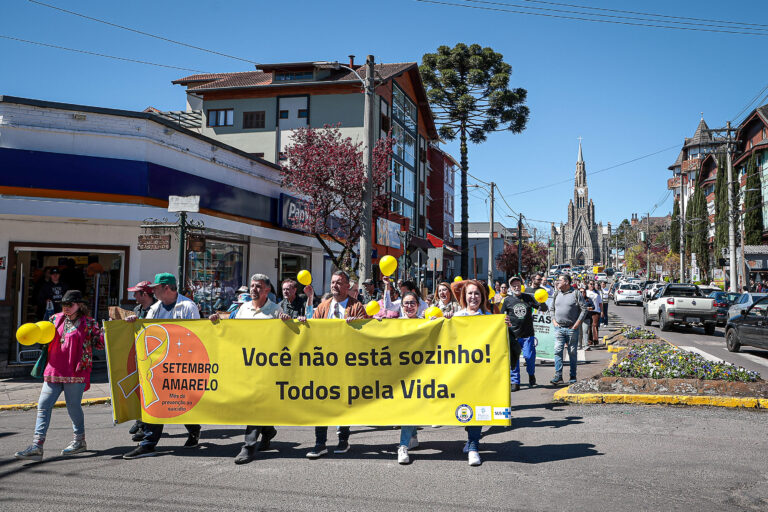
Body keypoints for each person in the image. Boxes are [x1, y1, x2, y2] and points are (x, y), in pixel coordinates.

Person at [15, 290, 104, 462]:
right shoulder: (54, 319)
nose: (66, 308)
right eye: (64, 304)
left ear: (80, 305)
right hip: (54, 370)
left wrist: (106, 331)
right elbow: (43, 337)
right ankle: (37, 446)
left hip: (75, 371)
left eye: (70, 305)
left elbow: (99, 344)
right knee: (43, 405)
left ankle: (79, 441)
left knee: (73, 407)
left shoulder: (89, 323)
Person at [122, 273, 202, 459]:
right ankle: (149, 443)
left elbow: (198, 334)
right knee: (156, 403)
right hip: (158, 365)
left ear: (166, 288)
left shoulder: (187, 306)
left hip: (181, 364)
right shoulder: (155, 308)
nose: (153, 291)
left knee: (180, 402)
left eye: (156, 288)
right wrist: (134, 324)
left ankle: (193, 429)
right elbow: (147, 331)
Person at [209, 273, 287, 464]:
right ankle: (268, 430)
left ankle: (248, 446)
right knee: (251, 404)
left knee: (255, 405)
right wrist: (216, 322)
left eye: (258, 286)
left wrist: (286, 323)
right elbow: (230, 329)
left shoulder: (276, 311)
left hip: (266, 366)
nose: (254, 289)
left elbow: (285, 338)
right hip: (245, 365)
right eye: (252, 286)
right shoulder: (242, 309)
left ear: (267, 290)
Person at [306, 271, 367, 459]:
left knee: (343, 401)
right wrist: (304, 322)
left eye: (339, 282)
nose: (334, 285)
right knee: (321, 402)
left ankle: (343, 439)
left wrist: (358, 324)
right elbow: (312, 330)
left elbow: (368, 331)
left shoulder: (356, 307)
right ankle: (320, 442)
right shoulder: (323, 307)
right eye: (332, 282)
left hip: (347, 363)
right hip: (324, 362)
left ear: (347, 286)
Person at [427, 279, 487, 467]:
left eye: (477, 293)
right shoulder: (457, 316)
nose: (473, 297)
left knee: (477, 409)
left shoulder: (489, 318)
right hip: (459, 373)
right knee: (464, 409)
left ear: (482, 297)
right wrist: (437, 323)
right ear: (464, 296)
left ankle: (474, 446)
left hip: (480, 373)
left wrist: (505, 326)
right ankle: (470, 439)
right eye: (469, 293)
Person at [125, 280, 158, 442]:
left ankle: (145, 426)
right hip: (139, 354)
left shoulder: (157, 309)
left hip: (154, 357)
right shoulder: (137, 309)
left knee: (150, 390)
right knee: (140, 389)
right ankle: (141, 422)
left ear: (144, 294)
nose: (133, 296)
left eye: (136, 293)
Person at [395, 291, 425, 464]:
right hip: (401, 372)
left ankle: (403, 445)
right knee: (409, 406)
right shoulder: (394, 324)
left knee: (411, 406)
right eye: (406, 303)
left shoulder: (425, 323)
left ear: (418, 305)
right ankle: (411, 436)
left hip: (422, 372)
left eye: (412, 302)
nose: (409, 306)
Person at [501, 276, 544, 391]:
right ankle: (515, 382)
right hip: (513, 335)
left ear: (521, 286)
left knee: (529, 357)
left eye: (518, 285)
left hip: (527, 334)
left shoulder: (528, 297)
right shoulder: (507, 301)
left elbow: (542, 308)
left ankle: (531, 374)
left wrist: (542, 302)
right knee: (514, 360)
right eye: (514, 285)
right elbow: (501, 316)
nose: (516, 287)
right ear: (510, 287)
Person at [550, 274, 588, 385]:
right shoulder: (556, 293)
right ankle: (558, 376)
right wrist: (554, 321)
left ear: (566, 282)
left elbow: (584, 309)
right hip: (559, 328)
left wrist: (577, 324)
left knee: (572, 352)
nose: (557, 282)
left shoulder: (576, 293)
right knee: (557, 351)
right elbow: (552, 309)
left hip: (572, 328)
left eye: (559, 280)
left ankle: (572, 376)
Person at [586, 281, 602, 346]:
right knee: (589, 326)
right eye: (590, 284)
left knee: (595, 325)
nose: (592, 285)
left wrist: (602, 311)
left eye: (593, 284)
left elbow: (600, 303)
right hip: (588, 311)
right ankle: (590, 340)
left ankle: (595, 339)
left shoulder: (597, 292)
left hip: (596, 311)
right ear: (588, 285)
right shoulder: (586, 292)